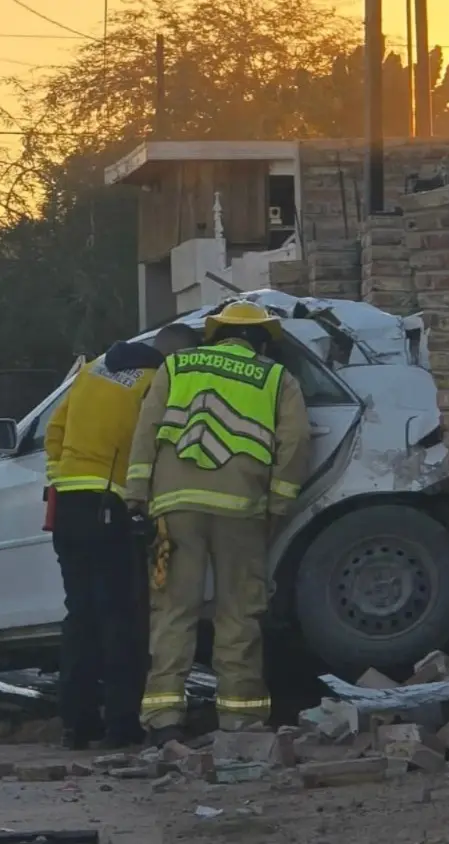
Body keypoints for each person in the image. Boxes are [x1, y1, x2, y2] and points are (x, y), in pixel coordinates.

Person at [126, 300, 311, 746]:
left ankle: (164, 720)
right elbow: (296, 442)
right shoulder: (276, 377)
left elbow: (146, 430)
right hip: (241, 512)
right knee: (239, 614)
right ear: (263, 339)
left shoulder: (178, 367)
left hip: (175, 508)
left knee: (173, 611)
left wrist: (137, 497)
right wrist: (277, 505)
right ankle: (241, 721)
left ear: (216, 333)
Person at [44, 322, 202, 751]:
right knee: (122, 619)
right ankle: (122, 724)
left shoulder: (93, 368)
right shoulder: (156, 381)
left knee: (80, 617)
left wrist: (64, 479)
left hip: (67, 507)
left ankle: (76, 724)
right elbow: (156, 441)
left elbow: (53, 432)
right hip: (110, 506)